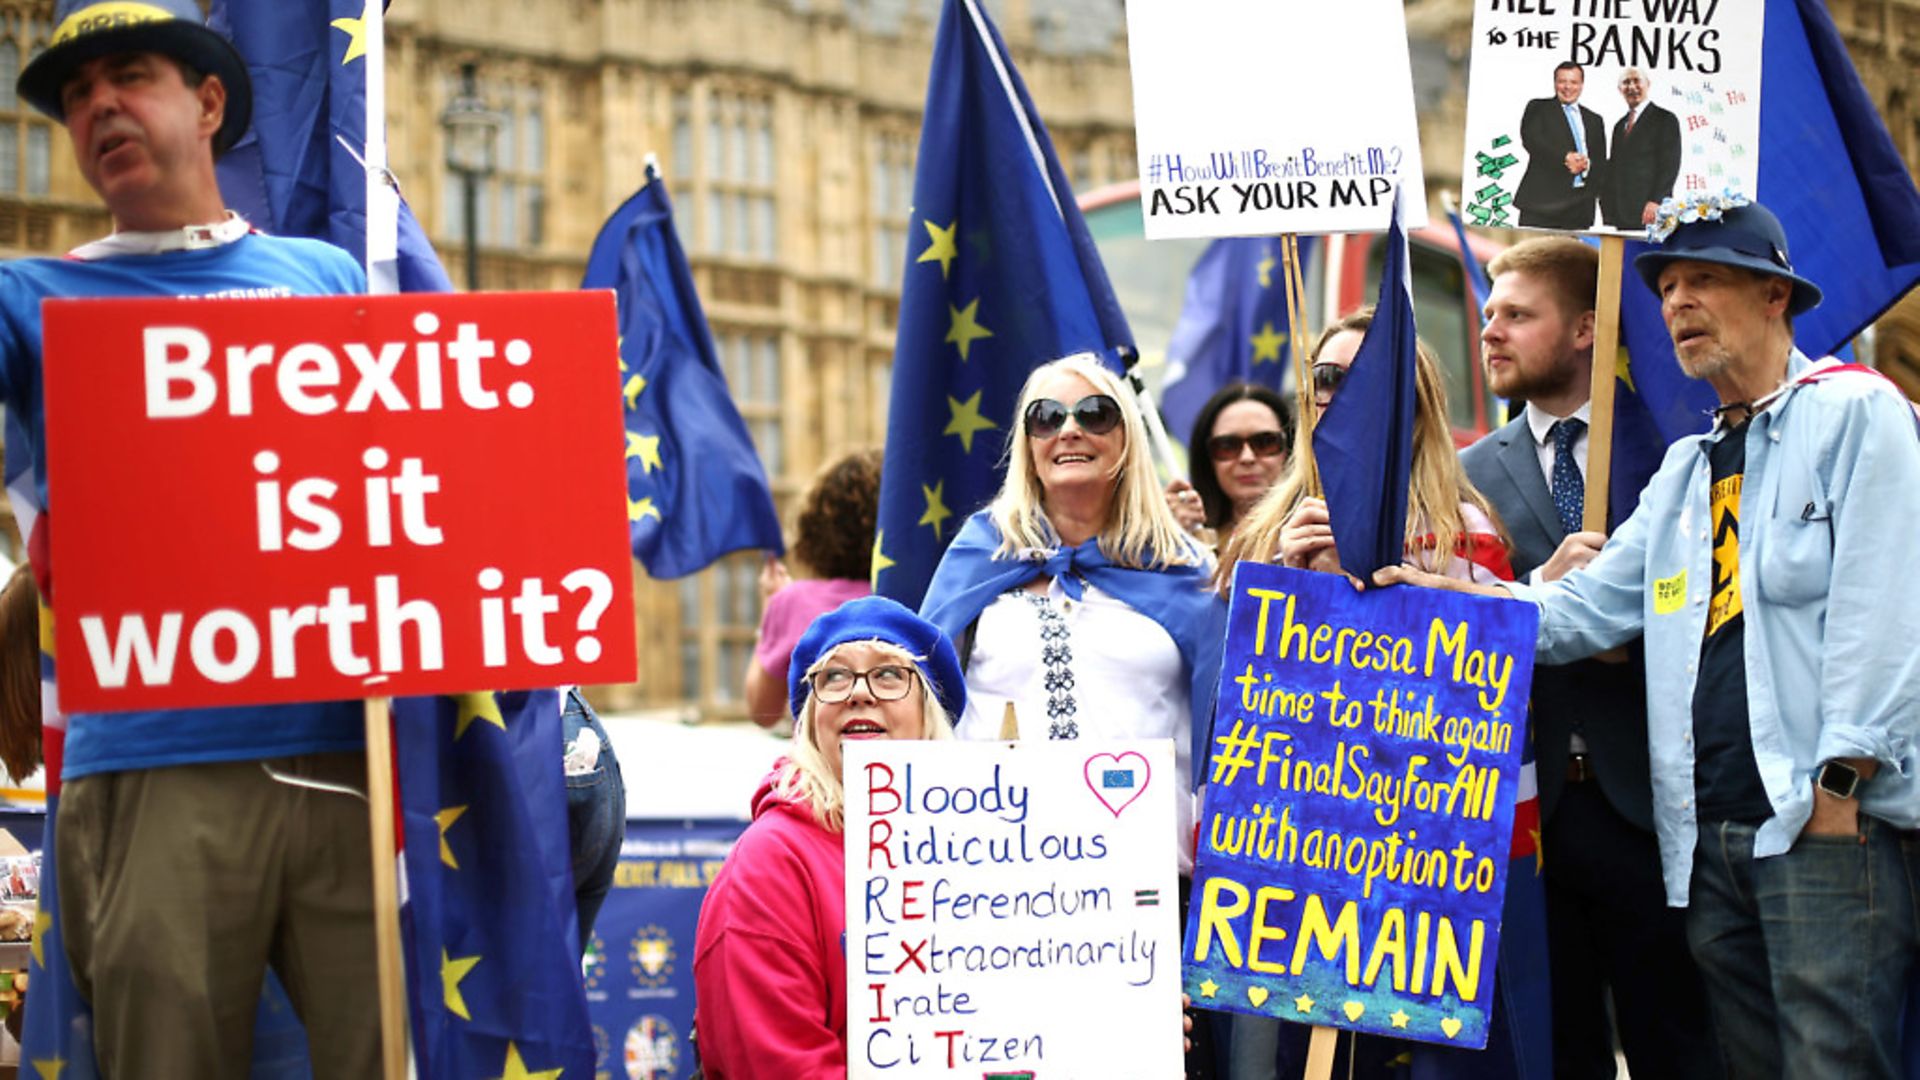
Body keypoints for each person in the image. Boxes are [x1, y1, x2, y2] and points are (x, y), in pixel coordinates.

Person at [1379, 199, 1920, 1079]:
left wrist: (1838, 788)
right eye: (1667, 287)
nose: (1677, 303)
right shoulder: (1687, 468)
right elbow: (1575, 612)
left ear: (1775, 295)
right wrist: (1439, 600)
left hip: (1822, 827)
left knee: (1837, 1065)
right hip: (1710, 842)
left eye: (1703, 279)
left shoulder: (1858, 413)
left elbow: (1885, 611)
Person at [1, 2, 376, 1071]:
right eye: (76, 97)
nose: (99, 106)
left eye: (130, 76)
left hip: (342, 749)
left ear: (209, 103)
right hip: (157, 764)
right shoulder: (30, 300)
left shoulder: (328, 282)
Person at [1220, 309, 1550, 1080]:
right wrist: (1292, 587)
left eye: (1364, 377)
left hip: (1427, 858)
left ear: (1416, 402)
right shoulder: (1264, 533)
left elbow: (1488, 705)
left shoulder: (1466, 535)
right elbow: (1239, 706)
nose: (1339, 393)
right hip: (1305, 847)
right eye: (1324, 378)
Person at [917, 353, 1223, 1078]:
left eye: (1094, 413)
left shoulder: (1186, 570)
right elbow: (920, 701)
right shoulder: (978, 553)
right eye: (1046, 417)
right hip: (1001, 885)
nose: (1069, 430)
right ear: (1026, 443)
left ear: (1125, 439)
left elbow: (1223, 729)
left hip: (1146, 891)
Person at [1468, 237, 1721, 1079]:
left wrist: (1632, 626)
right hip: (1528, 816)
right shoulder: (1465, 474)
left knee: (1676, 1040)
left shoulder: (1675, 444)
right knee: (1557, 1041)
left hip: (1652, 805)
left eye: (1516, 315)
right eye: (1488, 315)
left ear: (1586, 328)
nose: (1491, 331)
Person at [692, 595, 963, 1078]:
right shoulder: (770, 864)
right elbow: (779, 1063)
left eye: (888, 674)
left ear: (928, 713)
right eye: (834, 677)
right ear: (812, 723)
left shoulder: (979, 854)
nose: (859, 693)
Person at [744, 448, 882, 728]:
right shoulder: (918, 597)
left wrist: (771, 606)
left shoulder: (793, 602)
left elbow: (762, 709)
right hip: (899, 766)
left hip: (819, 766)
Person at [1164, 381, 1293, 549]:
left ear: (1290, 450)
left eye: (1265, 442)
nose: (1247, 458)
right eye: (1227, 446)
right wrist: (1174, 539)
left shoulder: (1323, 530)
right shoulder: (1191, 545)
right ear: (1207, 459)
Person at [1514, 61, 1607, 231]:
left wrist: (1587, 165)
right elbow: (1532, 140)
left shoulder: (1595, 120)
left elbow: (1600, 161)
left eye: (1573, 82)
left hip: (1579, 209)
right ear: (1555, 83)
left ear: (1581, 85)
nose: (1567, 87)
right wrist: (1564, 158)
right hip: (1542, 205)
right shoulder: (1538, 108)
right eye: (1562, 81)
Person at [1600, 68, 1682, 231]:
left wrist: (1656, 201)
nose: (1632, 86)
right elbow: (1615, 167)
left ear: (1648, 84)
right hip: (1621, 213)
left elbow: (1670, 165)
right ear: (1620, 89)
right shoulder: (1619, 126)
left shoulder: (1664, 119)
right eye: (1626, 82)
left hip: (1650, 211)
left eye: (1636, 81)